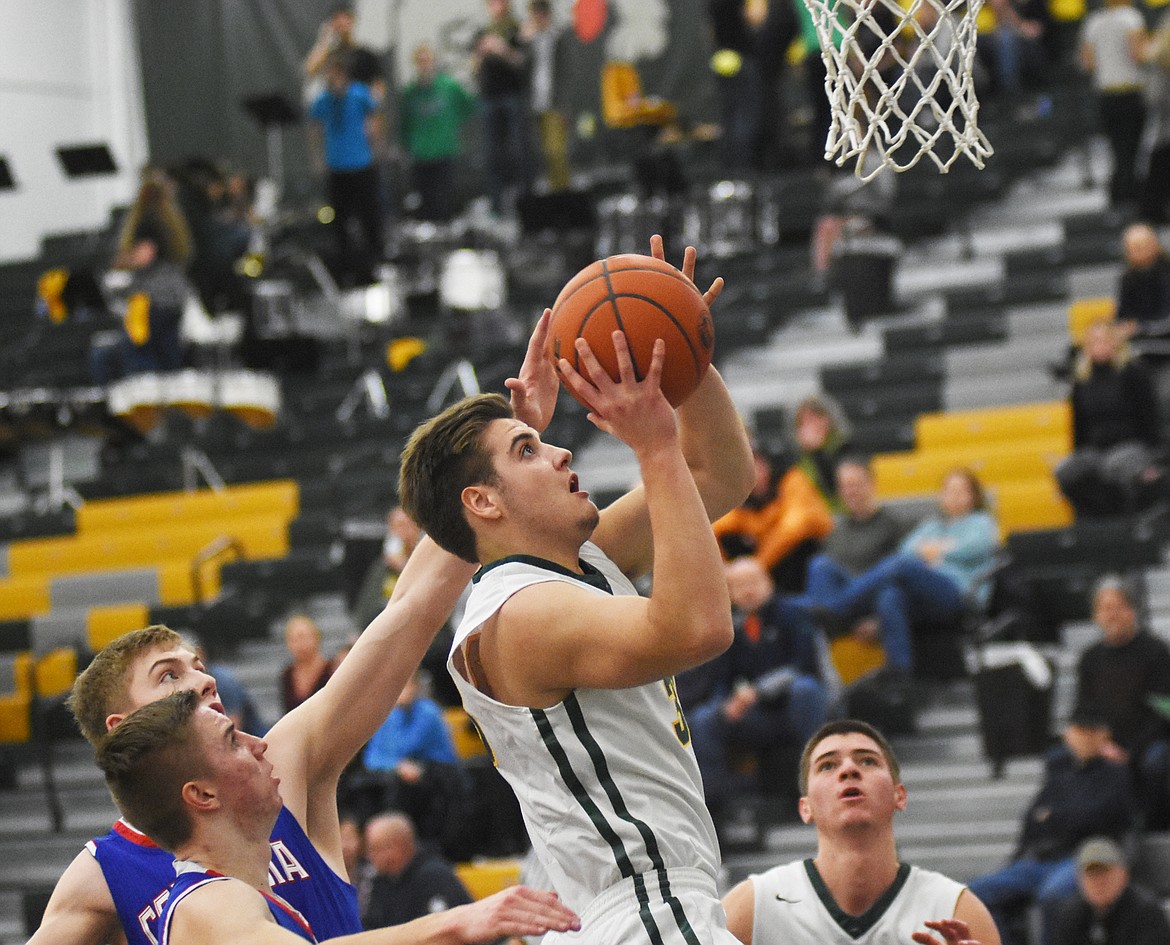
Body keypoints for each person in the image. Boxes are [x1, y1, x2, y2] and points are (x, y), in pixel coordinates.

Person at [28, 312, 569, 945]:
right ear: (126, 732)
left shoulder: (278, 764)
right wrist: (452, 926)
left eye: (197, 663)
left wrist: (506, 456)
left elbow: (411, 610)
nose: (202, 680)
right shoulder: (107, 874)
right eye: (169, 675)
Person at [397, 234, 755, 943]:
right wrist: (653, 445)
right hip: (643, 907)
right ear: (484, 503)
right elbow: (699, 629)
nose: (560, 447)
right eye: (528, 448)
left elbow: (721, 475)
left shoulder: (573, 563)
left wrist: (677, 356)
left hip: (633, 906)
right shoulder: (524, 612)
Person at [94, 692, 580, 945]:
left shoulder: (237, 894)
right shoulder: (208, 902)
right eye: (232, 740)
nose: (258, 744)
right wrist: (458, 923)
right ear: (200, 794)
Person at [722, 718, 1001, 945]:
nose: (849, 770)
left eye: (867, 761)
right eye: (828, 765)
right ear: (805, 808)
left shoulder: (957, 910)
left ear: (899, 796)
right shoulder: (753, 907)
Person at [795, 468, 999, 676]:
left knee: (899, 566)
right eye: (948, 491)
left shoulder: (981, 523)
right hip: (922, 592)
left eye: (960, 491)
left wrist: (932, 551)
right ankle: (901, 674)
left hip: (957, 592)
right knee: (889, 595)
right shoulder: (932, 525)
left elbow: (973, 548)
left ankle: (835, 610)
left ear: (973, 496)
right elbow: (908, 549)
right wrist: (938, 549)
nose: (953, 496)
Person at [966, 707, 1137, 945]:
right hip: (1039, 858)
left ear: (1104, 736)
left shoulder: (1115, 773)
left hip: (1079, 857)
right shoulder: (1059, 773)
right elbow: (1033, 818)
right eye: (1080, 730)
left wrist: (1054, 816)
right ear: (1069, 734)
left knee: (1053, 896)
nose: (1085, 737)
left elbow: (1100, 817)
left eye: (1091, 731)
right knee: (975, 895)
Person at [685, 556, 834, 817]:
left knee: (805, 689)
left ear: (769, 582)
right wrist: (725, 705)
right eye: (739, 586)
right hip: (759, 715)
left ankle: (816, 789)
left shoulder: (795, 615)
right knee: (704, 718)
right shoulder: (730, 627)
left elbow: (804, 666)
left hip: (796, 708)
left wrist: (758, 691)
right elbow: (721, 680)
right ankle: (718, 808)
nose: (748, 590)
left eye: (753, 582)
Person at [1074, 574, 1170, 828]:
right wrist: (1100, 744)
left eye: (1118, 607)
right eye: (1105, 608)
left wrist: (1129, 750)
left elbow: (1162, 712)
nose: (1112, 614)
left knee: (1155, 761)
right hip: (1105, 741)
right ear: (1096, 616)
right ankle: (1073, 829)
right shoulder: (1089, 659)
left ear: (1132, 611)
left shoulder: (1156, 652)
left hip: (1150, 740)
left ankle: (1154, 829)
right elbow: (1083, 709)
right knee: (1058, 759)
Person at [341, 670, 466, 848]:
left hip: (441, 773)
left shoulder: (428, 712)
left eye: (405, 685)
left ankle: (420, 843)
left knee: (405, 785)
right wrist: (396, 765)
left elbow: (406, 746)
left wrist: (394, 762)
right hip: (406, 770)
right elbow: (372, 758)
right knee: (360, 785)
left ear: (415, 687)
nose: (400, 690)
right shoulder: (390, 714)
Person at [1054, 319, 1165, 518]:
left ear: (1115, 343)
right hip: (1096, 450)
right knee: (1067, 472)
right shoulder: (1081, 383)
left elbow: (1150, 417)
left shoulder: (1134, 374)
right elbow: (1079, 428)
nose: (1099, 345)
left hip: (1134, 446)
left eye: (1103, 340)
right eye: (1093, 341)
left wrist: (1155, 455)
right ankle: (1093, 524)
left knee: (1113, 468)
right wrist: (1077, 456)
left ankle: (1123, 522)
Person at [713, 439, 835, 592]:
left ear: (767, 464)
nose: (751, 472)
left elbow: (796, 526)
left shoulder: (792, 479)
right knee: (732, 541)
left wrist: (756, 566)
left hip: (811, 559)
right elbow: (716, 527)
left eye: (756, 463)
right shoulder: (743, 498)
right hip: (771, 569)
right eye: (742, 467)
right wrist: (727, 571)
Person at [307, 49, 385, 287]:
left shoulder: (360, 94)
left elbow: (374, 120)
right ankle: (346, 268)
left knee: (368, 217)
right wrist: (318, 158)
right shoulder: (322, 100)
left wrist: (377, 148)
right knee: (340, 221)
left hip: (361, 164)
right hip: (337, 168)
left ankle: (374, 263)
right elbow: (315, 129)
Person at [1079, 0, 1148, 209]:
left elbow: (1087, 62)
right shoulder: (1131, 18)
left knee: (1118, 149)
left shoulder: (1093, 22)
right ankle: (1129, 198)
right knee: (1132, 150)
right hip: (1130, 92)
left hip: (1106, 96)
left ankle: (1118, 196)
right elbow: (1139, 54)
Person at [399, 43, 478, 223]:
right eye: (420, 61)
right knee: (424, 195)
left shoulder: (448, 86)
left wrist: (452, 126)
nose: (424, 64)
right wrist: (407, 145)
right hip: (421, 151)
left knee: (444, 194)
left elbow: (468, 106)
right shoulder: (410, 92)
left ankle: (445, 225)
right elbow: (404, 122)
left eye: (427, 60)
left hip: (444, 148)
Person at [359, 812, 474, 931]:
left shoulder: (435, 878)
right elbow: (370, 926)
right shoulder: (381, 880)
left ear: (397, 846)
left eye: (375, 849)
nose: (369, 856)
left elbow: (440, 931)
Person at [1050, 836, 1170, 945]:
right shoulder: (1070, 916)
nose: (1099, 882)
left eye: (1105, 873)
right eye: (1091, 875)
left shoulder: (1146, 913)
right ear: (1079, 880)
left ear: (1123, 875)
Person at [472, 0, 532, 216]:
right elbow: (474, 67)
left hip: (511, 96)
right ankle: (496, 206)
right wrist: (482, 52)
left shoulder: (516, 28)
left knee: (519, 150)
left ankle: (525, 203)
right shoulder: (482, 31)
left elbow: (523, 62)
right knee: (493, 153)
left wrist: (502, 49)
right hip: (489, 97)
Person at [522, 0, 571, 192]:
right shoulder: (529, 40)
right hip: (534, 104)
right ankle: (553, 192)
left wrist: (563, 105)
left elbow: (566, 74)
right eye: (535, 14)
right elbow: (522, 70)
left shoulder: (558, 38)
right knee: (542, 154)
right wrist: (525, 42)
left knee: (556, 152)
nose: (538, 18)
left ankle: (562, 192)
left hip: (553, 104)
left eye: (541, 13)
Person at [1117, 224, 1170, 337]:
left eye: (1141, 246)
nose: (1137, 252)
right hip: (1139, 339)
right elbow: (1123, 315)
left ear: (1155, 245)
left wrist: (1142, 327)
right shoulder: (1127, 278)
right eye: (1132, 248)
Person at [279, 613, 334, 715]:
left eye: (303, 637)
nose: (300, 645)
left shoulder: (331, 670)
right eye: (294, 640)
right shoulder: (287, 674)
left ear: (316, 637)